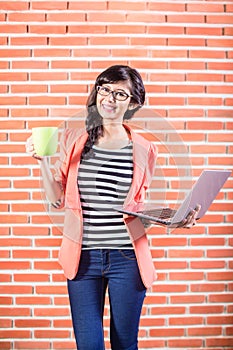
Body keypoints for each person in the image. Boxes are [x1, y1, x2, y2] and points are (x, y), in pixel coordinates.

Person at [26, 65, 200, 350]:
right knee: (89, 346)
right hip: (83, 260)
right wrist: (43, 161)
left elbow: (138, 207)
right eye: (105, 88)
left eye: (120, 93)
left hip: (127, 259)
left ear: (133, 103)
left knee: (125, 344)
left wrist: (172, 219)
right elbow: (56, 200)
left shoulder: (144, 148)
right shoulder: (73, 140)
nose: (109, 97)